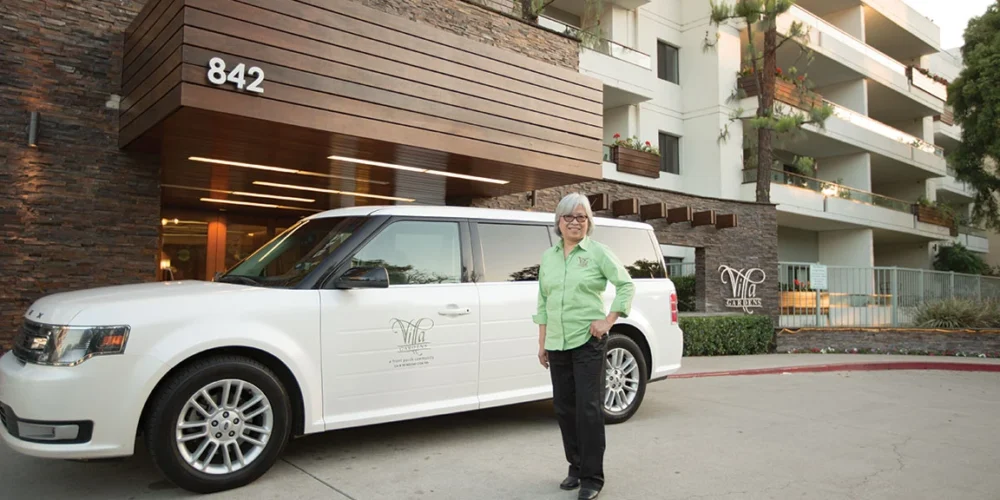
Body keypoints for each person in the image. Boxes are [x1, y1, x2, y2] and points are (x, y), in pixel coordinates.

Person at [534, 192, 635, 500]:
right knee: (564, 408)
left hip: (588, 341)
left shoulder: (598, 252)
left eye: (581, 217)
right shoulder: (549, 257)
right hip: (557, 342)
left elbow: (626, 284)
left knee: (588, 409)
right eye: (569, 216)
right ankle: (575, 467)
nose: (575, 222)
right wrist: (542, 342)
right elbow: (543, 300)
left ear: (589, 222)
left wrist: (608, 320)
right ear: (559, 222)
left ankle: (592, 477)